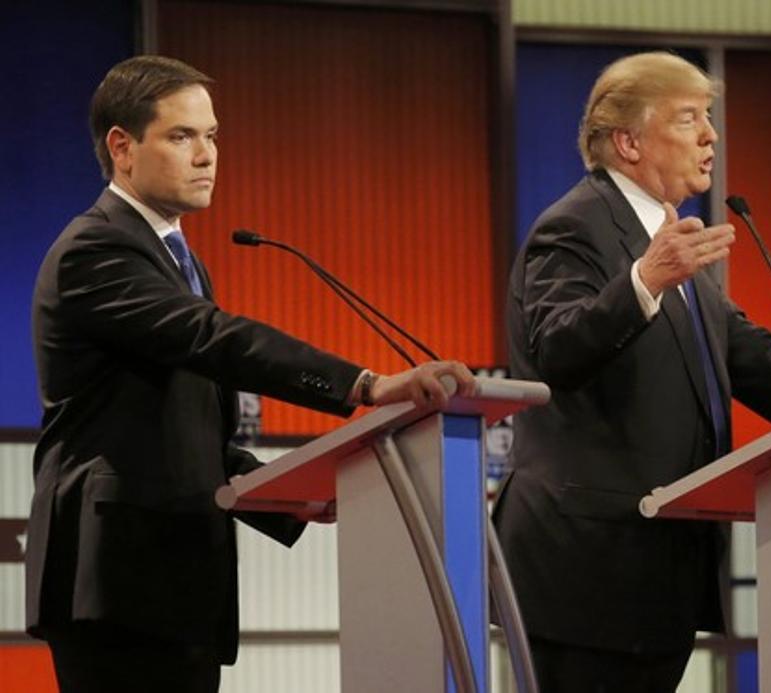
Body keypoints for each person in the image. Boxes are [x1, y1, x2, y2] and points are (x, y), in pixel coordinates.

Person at [25, 55, 475, 693]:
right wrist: (367, 384)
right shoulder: (94, 250)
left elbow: (186, 431)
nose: (206, 155)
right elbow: (214, 338)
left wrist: (288, 495)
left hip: (177, 584)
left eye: (211, 136)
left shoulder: (175, 256)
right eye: (182, 137)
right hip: (118, 578)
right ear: (122, 148)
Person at [494, 51, 771, 692]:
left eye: (708, 118)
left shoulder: (666, 235)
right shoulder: (575, 226)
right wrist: (643, 280)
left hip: (656, 566)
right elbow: (554, 349)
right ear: (627, 142)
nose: (710, 135)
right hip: (588, 572)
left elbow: (743, 351)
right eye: (689, 119)